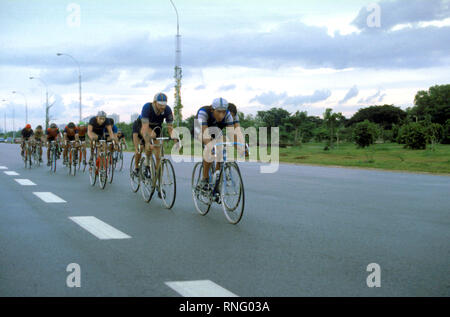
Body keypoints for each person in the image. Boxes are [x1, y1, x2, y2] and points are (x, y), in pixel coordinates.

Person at [195, 98, 245, 191]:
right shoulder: (203, 112)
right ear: (212, 109)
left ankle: (217, 180)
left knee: (221, 149)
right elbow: (205, 135)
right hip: (200, 129)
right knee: (209, 149)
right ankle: (204, 179)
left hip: (215, 129)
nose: (221, 115)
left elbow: (232, 134)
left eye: (223, 112)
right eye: (218, 112)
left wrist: (240, 147)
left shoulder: (229, 115)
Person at [140, 92, 178, 175]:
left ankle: (157, 177)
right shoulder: (147, 107)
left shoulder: (167, 109)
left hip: (157, 127)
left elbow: (170, 128)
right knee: (151, 138)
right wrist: (147, 142)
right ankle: (147, 162)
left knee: (158, 154)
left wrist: (176, 141)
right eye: (160, 105)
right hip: (145, 126)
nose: (162, 107)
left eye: (164, 104)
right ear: (154, 103)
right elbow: (145, 128)